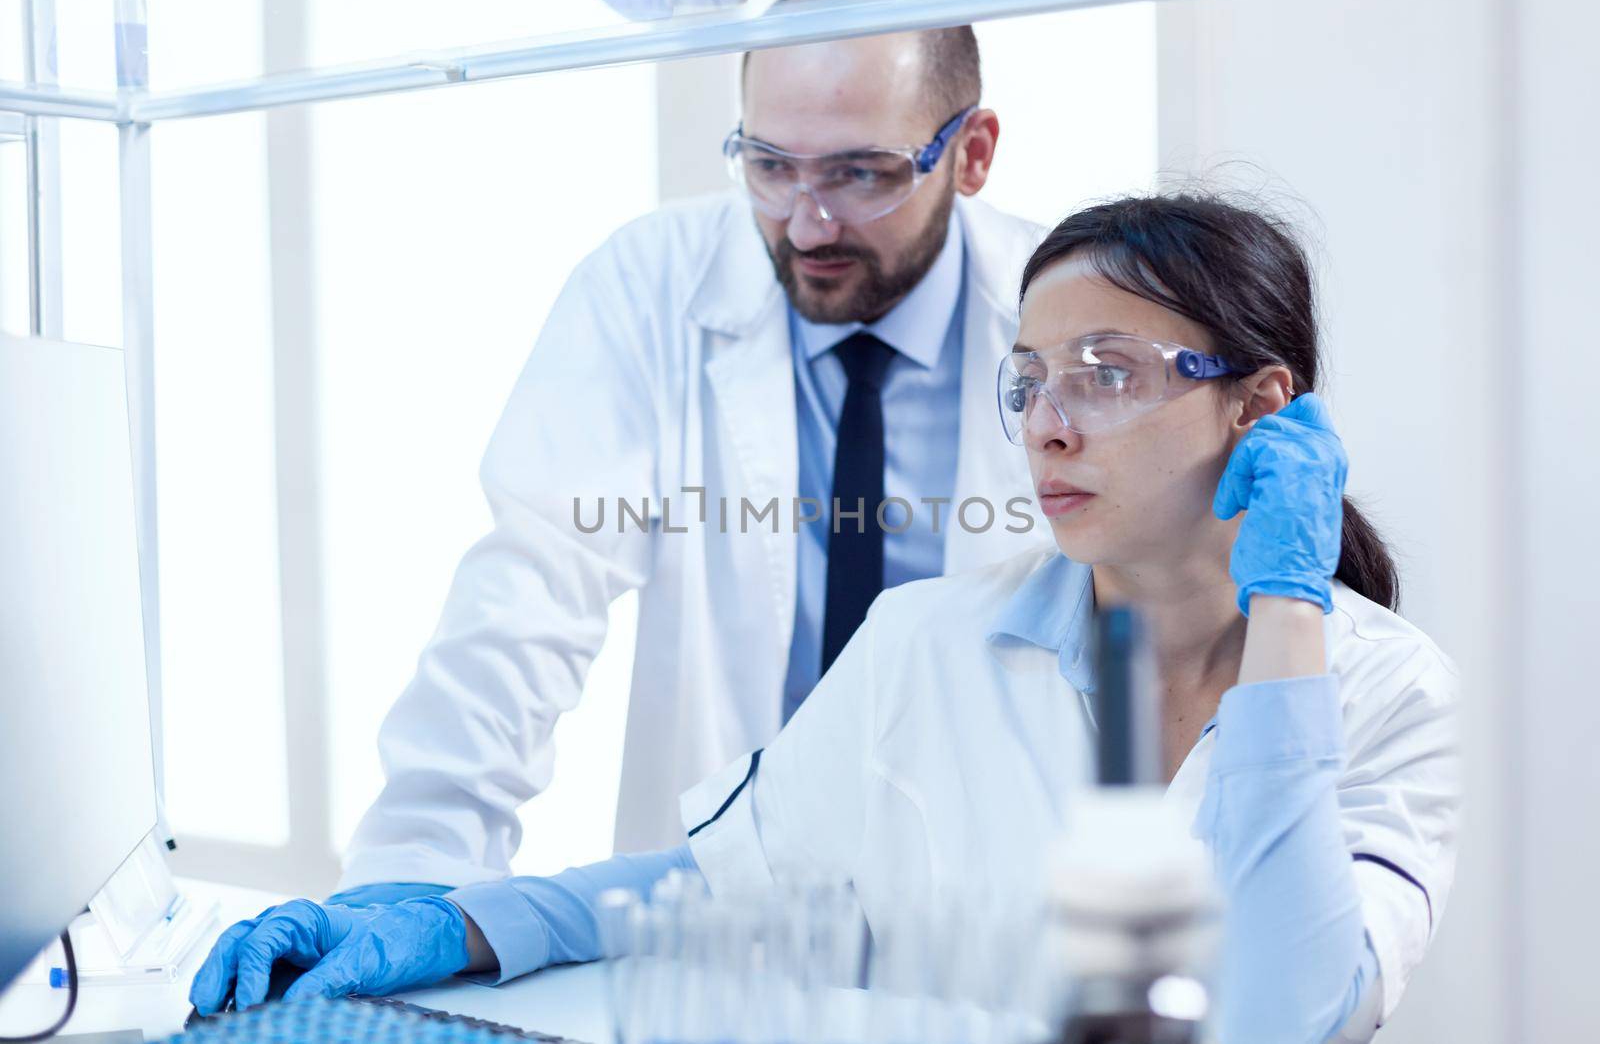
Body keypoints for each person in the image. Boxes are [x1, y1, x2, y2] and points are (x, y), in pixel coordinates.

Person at [191, 193, 1460, 1043]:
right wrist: (454, 919)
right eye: (1027, 380)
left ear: (1262, 408)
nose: (1049, 423)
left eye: (1107, 373)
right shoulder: (926, 641)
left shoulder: (1388, 689)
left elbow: (1294, 1010)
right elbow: (711, 885)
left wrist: (1287, 613)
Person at [332, 0, 1048, 905]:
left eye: (859, 172)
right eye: (770, 164)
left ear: (973, 151)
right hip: (728, 911)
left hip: (989, 911)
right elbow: (522, 603)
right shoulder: (652, 287)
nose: (805, 221)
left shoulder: (1067, 327)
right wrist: (411, 873)